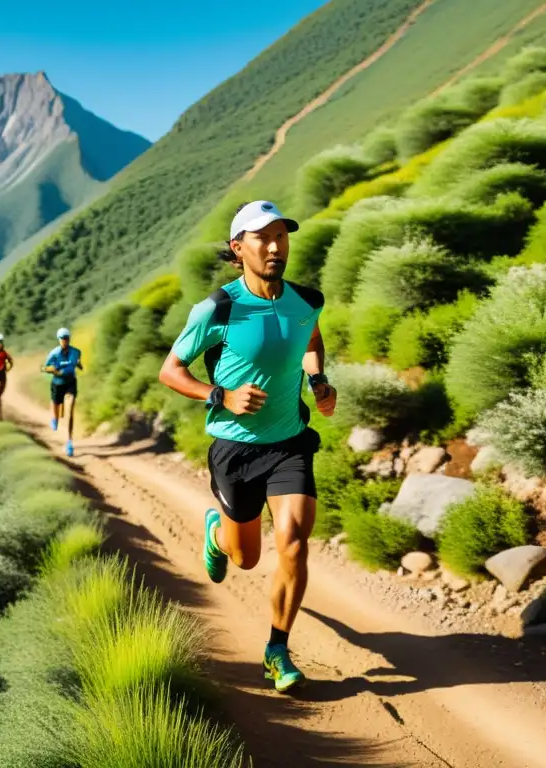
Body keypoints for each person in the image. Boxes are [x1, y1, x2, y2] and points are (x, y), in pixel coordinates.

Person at [158, 199, 337, 694]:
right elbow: (170, 371)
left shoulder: (307, 300)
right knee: (246, 559)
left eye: (281, 235)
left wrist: (319, 383)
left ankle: (277, 651)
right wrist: (220, 395)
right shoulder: (218, 308)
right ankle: (218, 534)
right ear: (239, 248)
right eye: (262, 237)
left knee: (295, 544)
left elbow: (312, 340)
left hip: (289, 444)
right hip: (235, 450)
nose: (275, 246)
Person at [42, 327, 83, 457]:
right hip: (58, 384)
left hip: (70, 383)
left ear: (69, 339)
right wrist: (52, 370)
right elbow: (45, 367)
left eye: (66, 338)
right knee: (57, 408)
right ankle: (54, 418)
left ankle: (69, 442)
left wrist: (79, 365)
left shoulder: (76, 352)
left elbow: (78, 362)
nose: (64, 341)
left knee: (70, 412)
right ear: (59, 340)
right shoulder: (54, 353)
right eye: (62, 339)